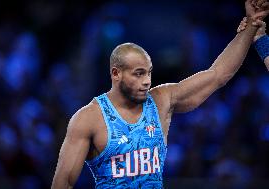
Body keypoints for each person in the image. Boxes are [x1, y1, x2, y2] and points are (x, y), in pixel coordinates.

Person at [51, 1, 269, 188]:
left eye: (148, 73)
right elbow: (62, 183)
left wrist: (251, 25)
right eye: (138, 74)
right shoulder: (88, 118)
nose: (146, 80)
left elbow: (218, 74)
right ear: (116, 74)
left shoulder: (161, 100)